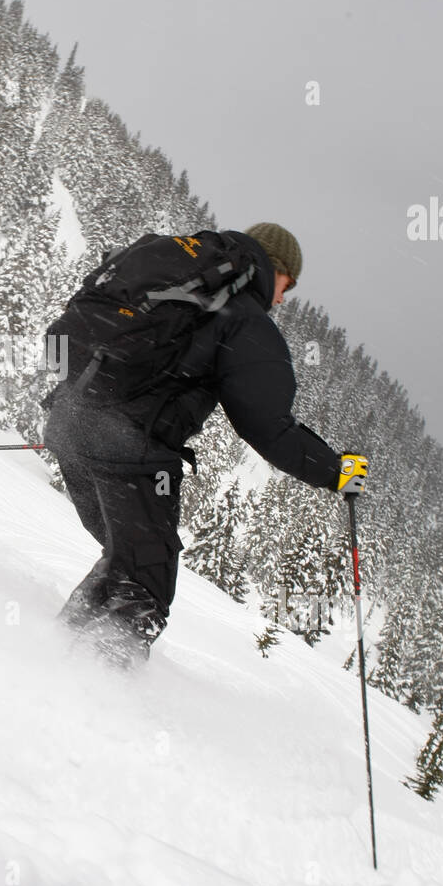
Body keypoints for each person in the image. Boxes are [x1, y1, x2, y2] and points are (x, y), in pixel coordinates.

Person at [40, 223, 367, 667]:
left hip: (69, 425)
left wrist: (72, 406)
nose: (285, 298)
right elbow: (268, 426)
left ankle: (52, 654)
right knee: (147, 579)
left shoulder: (175, 270)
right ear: (277, 269)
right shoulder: (241, 318)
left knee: (129, 559)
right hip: (129, 450)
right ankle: (99, 691)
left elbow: (77, 331)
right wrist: (335, 470)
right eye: (289, 284)